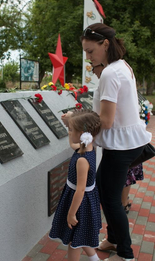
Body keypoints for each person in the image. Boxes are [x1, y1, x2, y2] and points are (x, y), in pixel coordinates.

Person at [64, 23, 152, 260]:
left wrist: (74, 120)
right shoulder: (120, 66)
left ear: (105, 44)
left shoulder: (112, 73)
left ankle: (126, 252)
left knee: (111, 200)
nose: (88, 57)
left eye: (91, 51)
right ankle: (113, 240)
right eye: (86, 52)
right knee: (106, 193)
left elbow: (106, 120)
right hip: (128, 143)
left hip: (121, 147)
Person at [49, 109, 102, 261]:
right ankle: (94, 259)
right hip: (84, 200)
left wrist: (71, 213)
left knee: (74, 242)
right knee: (81, 234)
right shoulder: (88, 147)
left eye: (71, 130)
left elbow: (80, 190)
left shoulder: (82, 160)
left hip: (79, 203)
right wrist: (70, 122)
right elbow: (73, 143)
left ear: (82, 134)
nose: (69, 132)